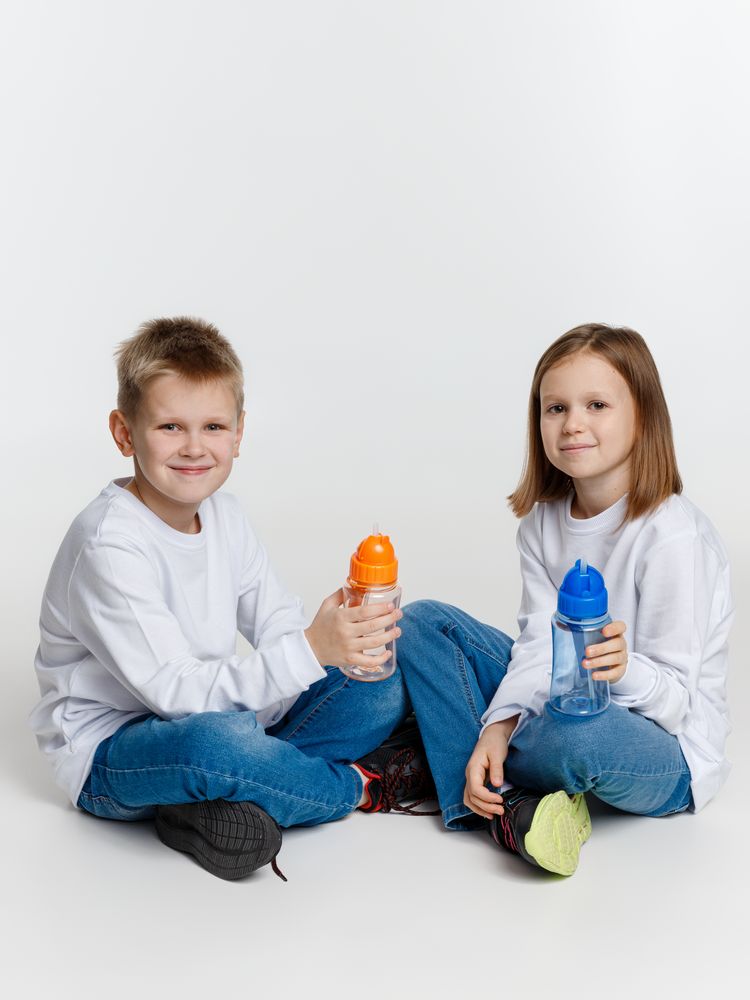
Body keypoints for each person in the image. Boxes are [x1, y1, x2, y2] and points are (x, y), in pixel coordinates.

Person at [29, 316, 434, 881]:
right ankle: (359, 784)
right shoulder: (108, 543)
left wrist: (336, 645)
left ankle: (213, 800)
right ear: (124, 433)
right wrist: (309, 651)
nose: (194, 447)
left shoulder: (227, 516)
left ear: (239, 434)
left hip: (224, 715)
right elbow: (175, 694)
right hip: (116, 752)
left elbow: (277, 621)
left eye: (214, 426)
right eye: (170, 426)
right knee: (217, 747)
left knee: (379, 682)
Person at [396, 323, 733, 876]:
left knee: (575, 734)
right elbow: (536, 648)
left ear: (643, 415)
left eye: (596, 404)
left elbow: (676, 703)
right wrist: (500, 724)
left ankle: (454, 760)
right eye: (556, 408)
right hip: (562, 699)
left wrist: (621, 668)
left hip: (663, 751)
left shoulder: (673, 537)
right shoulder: (541, 525)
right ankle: (505, 804)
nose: (573, 423)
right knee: (423, 624)